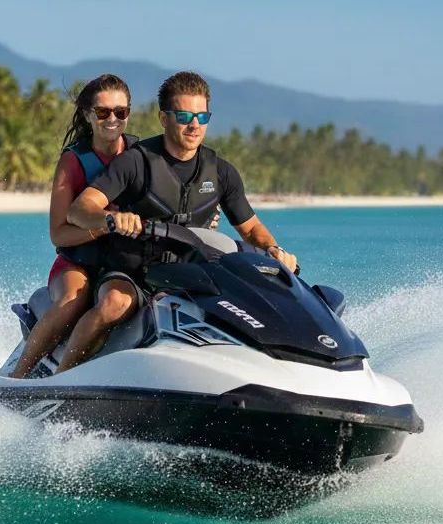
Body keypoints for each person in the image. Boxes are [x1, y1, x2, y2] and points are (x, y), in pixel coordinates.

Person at [58, 71, 298, 372]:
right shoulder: (135, 161)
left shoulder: (221, 172)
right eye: (184, 115)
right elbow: (79, 210)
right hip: (133, 273)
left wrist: (274, 250)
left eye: (202, 116)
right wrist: (114, 218)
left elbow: (250, 229)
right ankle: (61, 378)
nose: (194, 124)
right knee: (114, 304)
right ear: (164, 118)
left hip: (190, 275)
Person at [8, 74, 137, 378]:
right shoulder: (73, 161)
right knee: (72, 302)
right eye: (103, 112)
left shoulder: (139, 155)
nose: (112, 119)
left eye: (121, 112)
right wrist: (104, 226)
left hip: (122, 265)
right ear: (88, 115)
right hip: (76, 263)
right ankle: (18, 379)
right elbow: (58, 233)